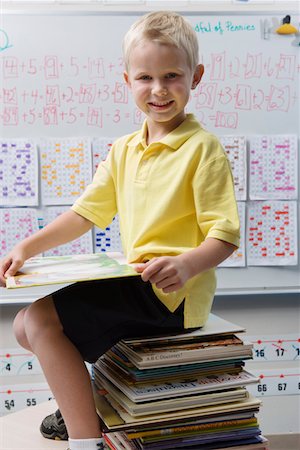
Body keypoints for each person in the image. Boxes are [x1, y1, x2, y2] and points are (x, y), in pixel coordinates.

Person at [0, 11, 240, 450]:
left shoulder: (203, 149)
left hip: (171, 294)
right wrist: (26, 247)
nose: (159, 89)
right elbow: (85, 214)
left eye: (172, 76)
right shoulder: (125, 149)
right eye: (146, 77)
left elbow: (223, 235)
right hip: (135, 281)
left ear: (196, 77)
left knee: (37, 318)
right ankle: (85, 405)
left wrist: (186, 265)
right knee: (22, 326)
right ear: (127, 80)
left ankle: (85, 441)